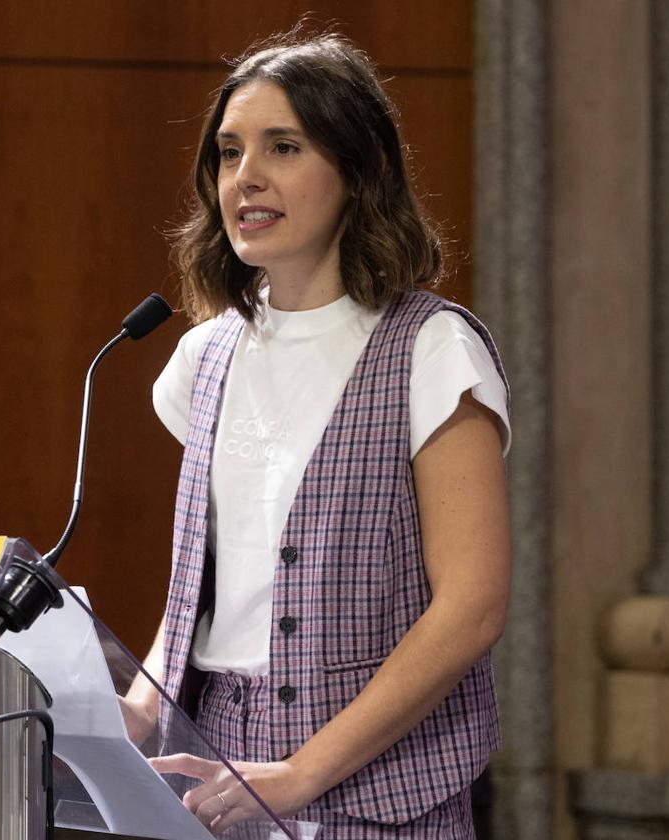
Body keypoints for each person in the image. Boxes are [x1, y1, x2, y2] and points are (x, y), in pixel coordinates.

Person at [120, 31, 511, 840]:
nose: (246, 178)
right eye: (229, 153)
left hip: (379, 788)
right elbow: (203, 598)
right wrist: (134, 710)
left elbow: (472, 608)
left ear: (357, 171)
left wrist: (301, 773)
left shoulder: (431, 349)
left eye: (283, 147)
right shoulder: (204, 358)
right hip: (217, 778)